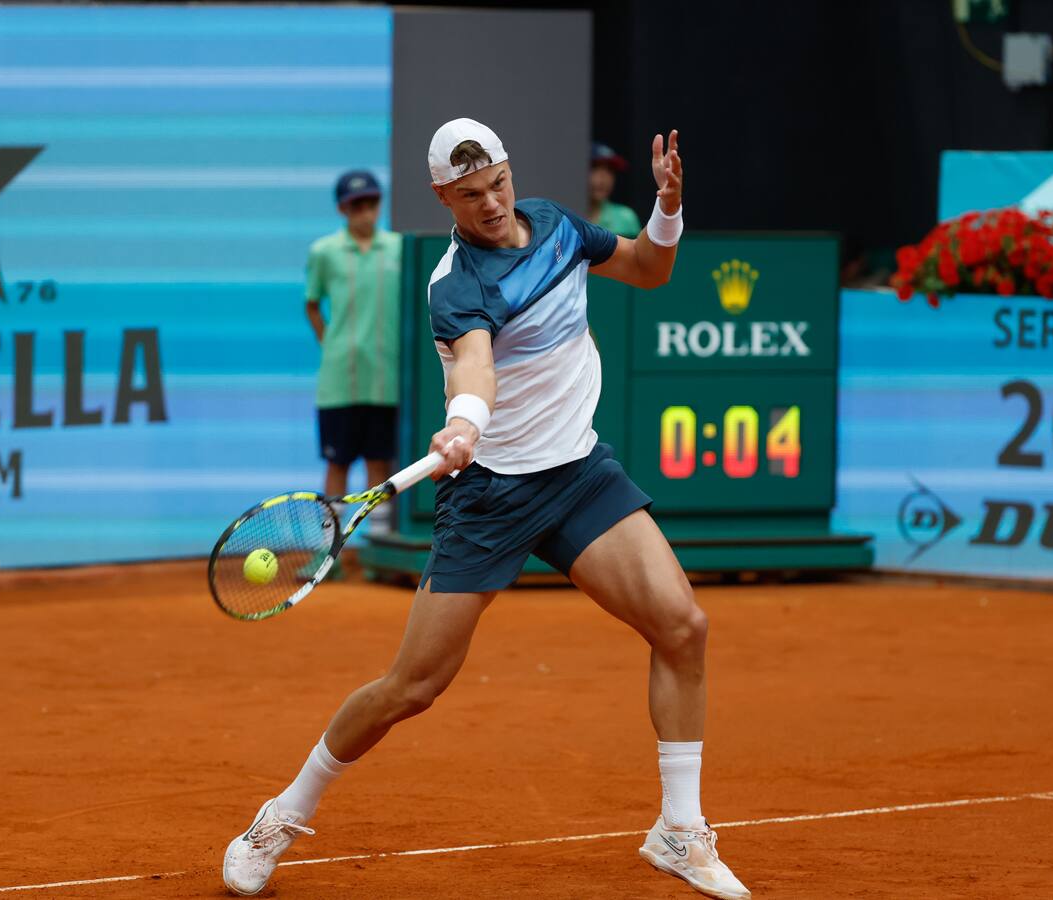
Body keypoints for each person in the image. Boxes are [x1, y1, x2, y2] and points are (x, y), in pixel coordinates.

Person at [223, 119, 750, 900]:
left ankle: (679, 830)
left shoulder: (560, 225)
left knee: (683, 625)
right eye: (470, 196)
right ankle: (280, 814)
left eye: (498, 183)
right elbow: (475, 364)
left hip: (578, 473)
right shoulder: (455, 284)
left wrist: (667, 207)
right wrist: (466, 420)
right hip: (492, 493)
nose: (492, 204)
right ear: (444, 197)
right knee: (413, 687)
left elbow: (647, 270)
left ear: (511, 169)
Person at [304, 170, 403, 546]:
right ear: (342, 208)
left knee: (380, 464)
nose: (366, 212)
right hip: (339, 381)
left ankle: (377, 547)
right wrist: (330, 344)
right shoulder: (324, 252)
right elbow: (312, 303)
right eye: (356, 204)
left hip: (385, 378)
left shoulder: (398, 248)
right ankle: (330, 551)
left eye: (372, 203)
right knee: (338, 463)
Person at [588, 141, 642, 237]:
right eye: (595, 167)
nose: (603, 177)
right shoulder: (565, 216)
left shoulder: (626, 218)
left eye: (610, 170)